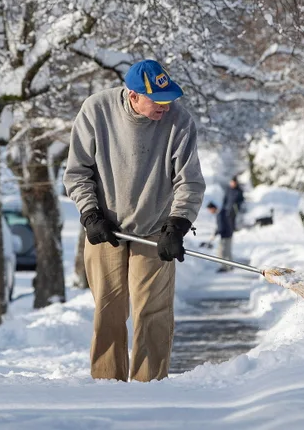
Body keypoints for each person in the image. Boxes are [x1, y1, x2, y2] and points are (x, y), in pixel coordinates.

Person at [63, 59, 205, 382]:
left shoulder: (179, 123)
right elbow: (77, 171)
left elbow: (190, 181)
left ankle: (150, 387)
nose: (166, 107)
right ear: (133, 95)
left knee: (152, 312)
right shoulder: (96, 111)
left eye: (169, 98)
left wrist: (177, 224)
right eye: (158, 100)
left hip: (154, 229)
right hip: (105, 228)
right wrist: (90, 214)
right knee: (108, 311)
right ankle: (106, 384)